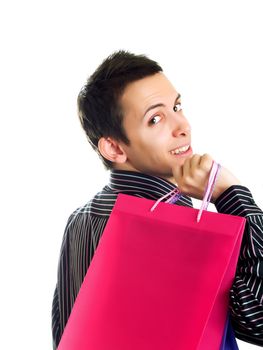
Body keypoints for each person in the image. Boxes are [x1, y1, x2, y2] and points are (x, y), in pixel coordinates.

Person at [51, 50, 263, 348]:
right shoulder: (173, 227)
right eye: (155, 119)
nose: (183, 127)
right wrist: (229, 193)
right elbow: (258, 320)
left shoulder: (80, 220)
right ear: (113, 148)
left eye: (177, 106)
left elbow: (63, 334)